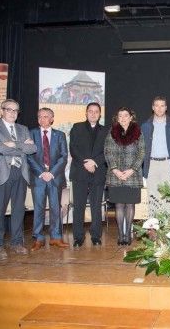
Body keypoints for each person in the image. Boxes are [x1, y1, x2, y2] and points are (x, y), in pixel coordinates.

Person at [0, 99, 37, 261]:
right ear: (2, 111)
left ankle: (16, 242)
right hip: (1, 173)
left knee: (18, 210)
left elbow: (32, 149)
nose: (13, 113)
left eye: (16, 110)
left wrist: (12, 144)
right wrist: (21, 145)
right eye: (9, 109)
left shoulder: (23, 128)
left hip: (20, 173)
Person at [27, 108, 69, 251]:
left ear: (52, 119)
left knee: (55, 208)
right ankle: (38, 238)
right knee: (38, 208)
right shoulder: (30, 133)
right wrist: (41, 173)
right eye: (40, 117)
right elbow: (28, 156)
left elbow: (64, 156)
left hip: (54, 177)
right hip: (38, 178)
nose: (42, 119)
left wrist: (51, 173)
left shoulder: (60, 135)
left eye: (46, 116)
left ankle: (56, 238)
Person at [69, 102, 108, 247]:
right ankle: (78, 237)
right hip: (80, 172)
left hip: (98, 173)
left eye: (96, 111)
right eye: (90, 111)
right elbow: (73, 148)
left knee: (96, 206)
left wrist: (94, 162)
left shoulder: (106, 130)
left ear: (99, 114)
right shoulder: (77, 127)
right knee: (78, 206)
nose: (93, 114)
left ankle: (96, 236)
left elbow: (107, 151)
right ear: (86, 113)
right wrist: (86, 163)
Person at [104, 108, 145, 246]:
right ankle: (120, 234)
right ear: (117, 118)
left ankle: (128, 233)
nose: (123, 118)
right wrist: (115, 170)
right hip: (115, 175)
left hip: (132, 175)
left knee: (130, 205)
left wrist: (132, 170)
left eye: (125, 115)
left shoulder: (138, 132)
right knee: (119, 205)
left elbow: (141, 153)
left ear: (131, 117)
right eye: (120, 115)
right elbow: (108, 152)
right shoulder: (111, 133)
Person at [141, 96, 170, 215]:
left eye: (162, 105)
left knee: (168, 198)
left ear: (166, 108)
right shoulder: (145, 126)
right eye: (156, 105)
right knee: (153, 197)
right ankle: (154, 231)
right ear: (153, 108)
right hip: (151, 164)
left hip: (168, 164)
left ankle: (167, 230)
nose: (159, 108)